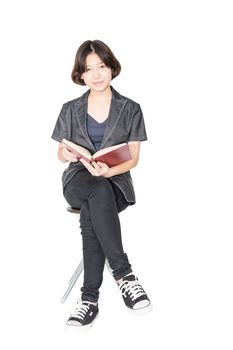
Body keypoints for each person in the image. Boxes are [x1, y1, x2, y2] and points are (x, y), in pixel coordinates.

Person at [51, 39, 152, 331]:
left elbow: (132, 160)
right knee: (94, 189)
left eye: (102, 67)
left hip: (116, 181)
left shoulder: (131, 108)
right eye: (88, 69)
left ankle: (89, 300)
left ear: (111, 68)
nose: (96, 74)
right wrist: (66, 153)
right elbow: (60, 154)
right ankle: (125, 277)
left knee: (95, 202)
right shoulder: (69, 109)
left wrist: (107, 172)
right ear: (81, 74)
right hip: (77, 180)